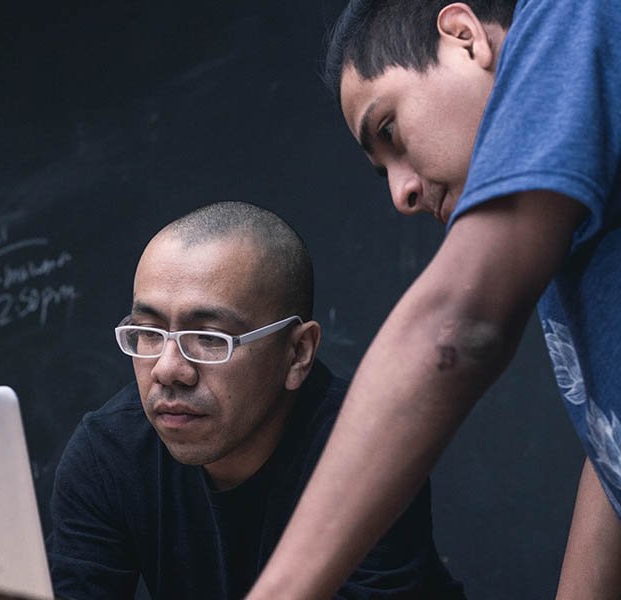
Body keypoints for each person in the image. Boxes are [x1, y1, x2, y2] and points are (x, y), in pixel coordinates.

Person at [245, 1, 621, 598]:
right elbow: (611, 442)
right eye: (382, 170)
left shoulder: (574, 15)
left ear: (463, 36)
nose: (402, 193)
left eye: (389, 132)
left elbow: (458, 327)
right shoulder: (568, 228)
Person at [47, 201, 465, 599]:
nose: (168, 369)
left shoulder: (367, 453)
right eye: (148, 333)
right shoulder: (109, 454)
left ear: (298, 352)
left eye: (210, 338)